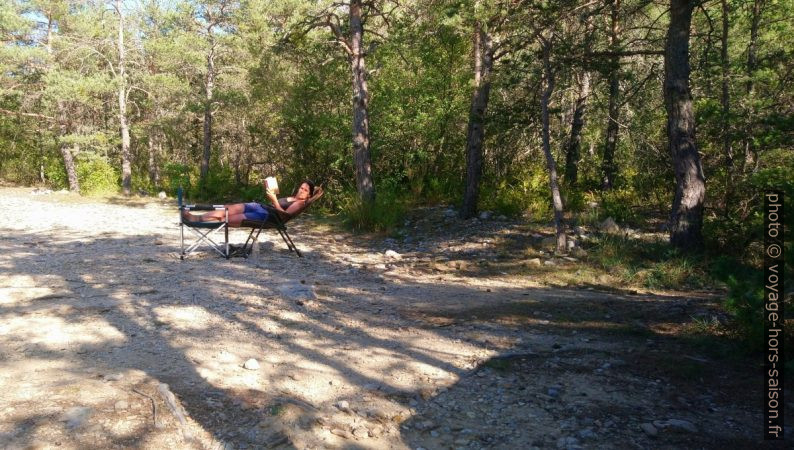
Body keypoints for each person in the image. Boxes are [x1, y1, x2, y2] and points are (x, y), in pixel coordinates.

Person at [182, 180, 320, 227]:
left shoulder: (301, 203)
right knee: (228, 208)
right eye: (301, 187)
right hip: (260, 207)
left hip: (266, 217)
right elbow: (277, 204)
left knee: (227, 218)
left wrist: (274, 201)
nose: (301, 190)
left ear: (308, 194)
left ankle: (197, 220)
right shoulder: (292, 197)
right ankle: (195, 217)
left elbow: (284, 216)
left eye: (305, 190)